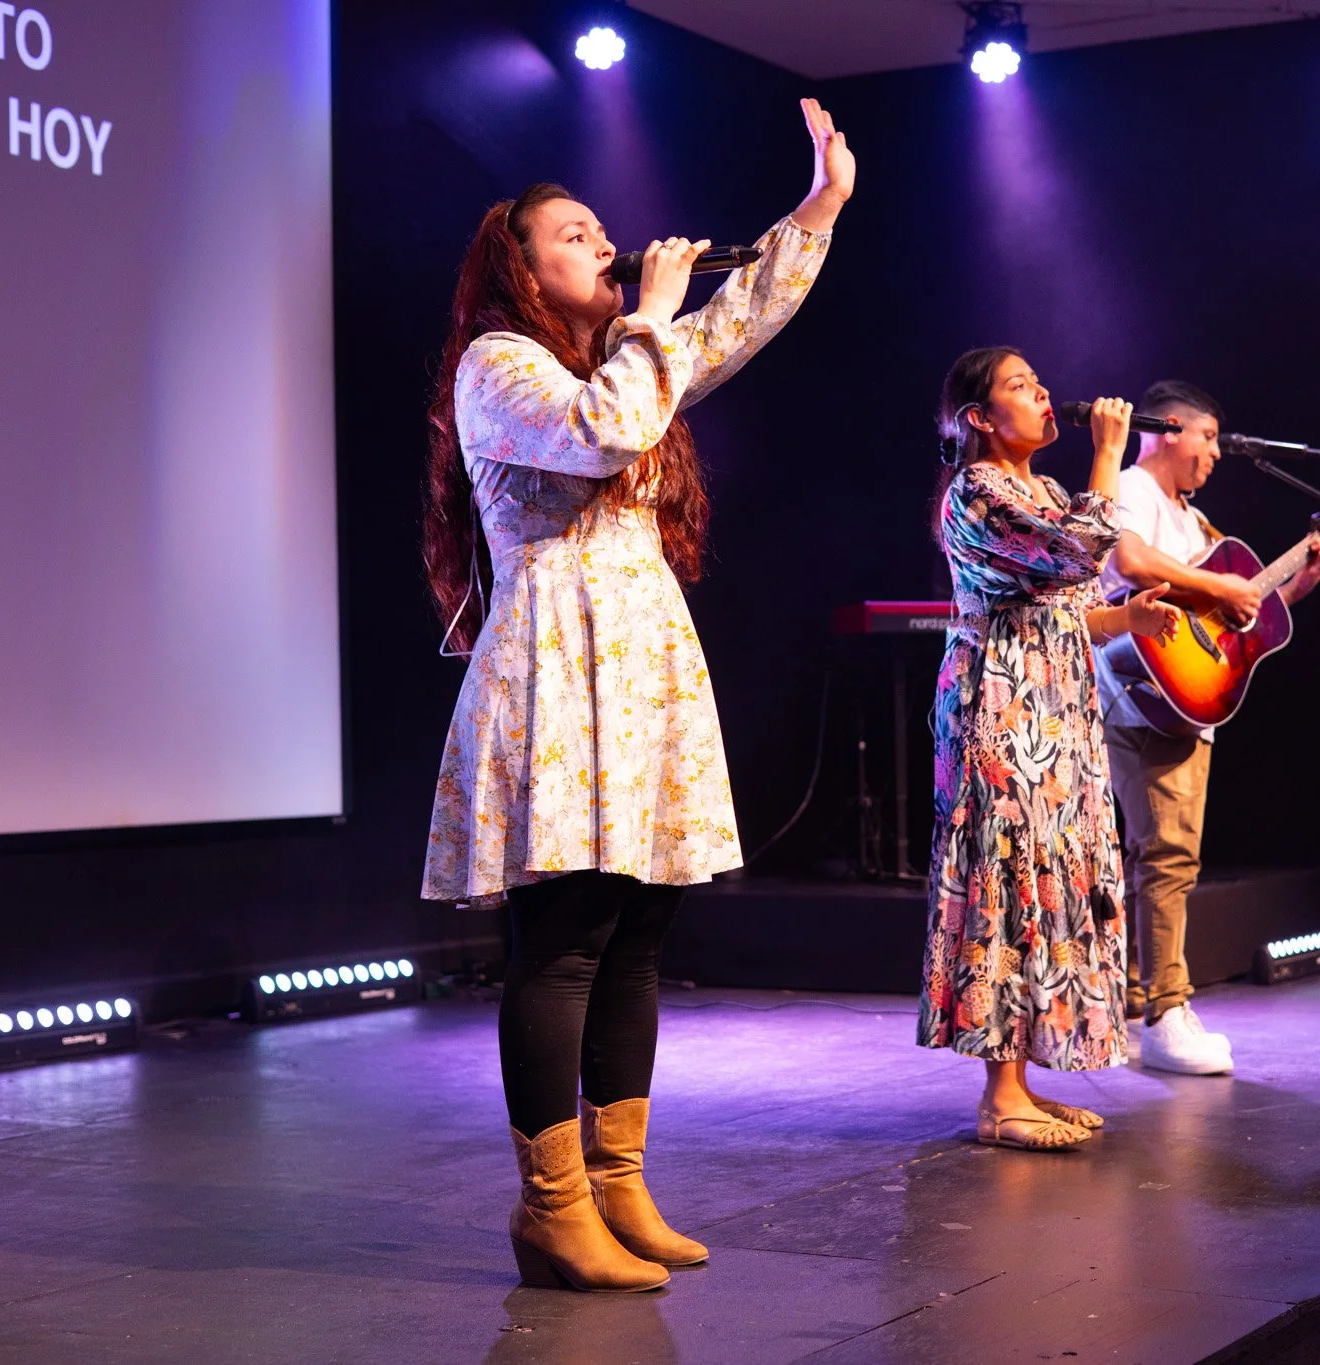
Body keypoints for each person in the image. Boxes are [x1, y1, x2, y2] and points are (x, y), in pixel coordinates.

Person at [421, 100, 853, 1291]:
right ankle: (549, 1208)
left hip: (643, 661)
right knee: (563, 940)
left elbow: (745, 316)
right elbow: (607, 431)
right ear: (519, 269)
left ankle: (619, 1185)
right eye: (574, 234)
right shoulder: (496, 365)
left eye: (602, 228)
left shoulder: (631, 354)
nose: (605, 244)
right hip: (560, 667)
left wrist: (819, 201)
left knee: (638, 935)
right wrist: (652, 321)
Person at [921, 347, 1178, 1151]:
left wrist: (1125, 621)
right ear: (978, 417)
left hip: (1057, 713)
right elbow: (1078, 556)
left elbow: (1062, 606)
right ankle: (999, 1098)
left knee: (1049, 881)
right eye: (1019, 386)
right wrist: (1110, 452)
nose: (1042, 393)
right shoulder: (978, 490)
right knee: (1008, 877)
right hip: (999, 706)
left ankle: (1022, 1081)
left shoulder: (1048, 493)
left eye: (1039, 380)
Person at [1098, 381, 1320, 1074]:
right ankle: (1168, 1011)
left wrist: (1293, 586)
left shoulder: (1195, 522)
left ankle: (1149, 997)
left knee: (1164, 857)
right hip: (1141, 690)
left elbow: (1240, 616)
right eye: (1207, 438)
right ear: (1170, 429)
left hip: (1187, 698)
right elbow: (1127, 561)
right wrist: (1221, 588)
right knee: (1168, 856)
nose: (1215, 454)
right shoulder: (1134, 487)